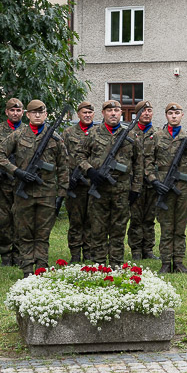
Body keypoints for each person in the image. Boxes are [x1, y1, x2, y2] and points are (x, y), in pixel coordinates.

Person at [0, 99, 68, 277]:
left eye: (41, 112)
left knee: (42, 233)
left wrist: (61, 194)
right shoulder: (18, 135)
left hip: (47, 193)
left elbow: (64, 167)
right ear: (27, 115)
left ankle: (41, 268)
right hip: (23, 193)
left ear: (46, 115)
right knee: (24, 233)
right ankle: (27, 269)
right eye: (34, 112)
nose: (38, 115)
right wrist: (17, 172)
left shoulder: (55, 138)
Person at [75, 100, 143, 267]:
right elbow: (79, 156)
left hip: (122, 190)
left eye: (117, 110)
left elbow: (139, 163)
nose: (113, 113)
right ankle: (98, 264)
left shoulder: (131, 135)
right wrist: (90, 170)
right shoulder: (93, 133)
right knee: (97, 230)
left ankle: (116, 264)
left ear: (121, 113)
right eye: (109, 110)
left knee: (118, 230)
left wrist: (135, 189)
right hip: (99, 191)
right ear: (103, 113)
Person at [145, 102, 187, 274]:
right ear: (166, 116)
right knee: (166, 226)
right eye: (171, 113)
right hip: (163, 186)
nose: (174, 116)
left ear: (182, 115)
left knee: (181, 226)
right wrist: (154, 181)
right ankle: (165, 262)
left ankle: (178, 261)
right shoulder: (157, 137)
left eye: (177, 113)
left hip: (183, 187)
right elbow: (147, 162)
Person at [0, 97, 24, 266]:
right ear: (7, 112)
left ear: (23, 112)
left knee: (22, 219)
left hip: (23, 183)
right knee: (3, 221)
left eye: (18, 110)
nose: (15, 113)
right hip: (2, 184)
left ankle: (20, 253)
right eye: (12, 110)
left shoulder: (28, 130)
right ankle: (5, 255)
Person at [62, 101, 95, 263]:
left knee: (91, 220)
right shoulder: (68, 133)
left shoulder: (98, 132)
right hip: (74, 184)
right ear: (78, 114)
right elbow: (61, 157)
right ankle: (75, 254)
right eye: (84, 113)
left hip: (93, 184)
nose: (87, 115)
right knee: (75, 221)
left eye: (90, 113)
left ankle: (88, 252)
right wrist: (67, 179)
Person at [128, 100, 158, 260]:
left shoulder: (158, 133)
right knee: (136, 218)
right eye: (143, 111)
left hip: (152, 183)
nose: (146, 113)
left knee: (149, 217)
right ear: (137, 114)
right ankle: (136, 250)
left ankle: (148, 249)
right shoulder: (129, 134)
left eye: (149, 110)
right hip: (135, 182)